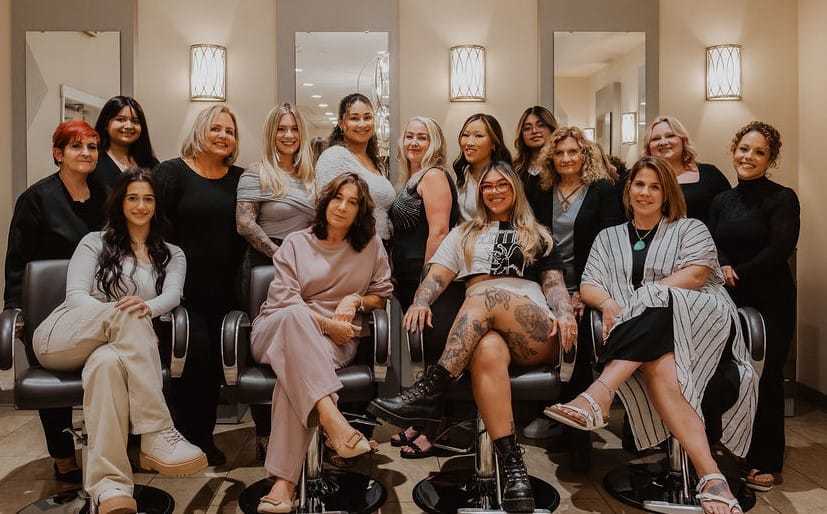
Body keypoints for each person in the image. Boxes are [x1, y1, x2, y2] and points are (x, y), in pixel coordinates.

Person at [545, 156, 758, 514]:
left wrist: (645, 296)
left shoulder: (690, 228)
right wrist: (611, 303)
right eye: (639, 185)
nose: (645, 192)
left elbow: (694, 276)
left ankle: (599, 393)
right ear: (628, 191)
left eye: (655, 186)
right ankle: (711, 477)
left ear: (667, 193)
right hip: (645, 337)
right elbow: (589, 283)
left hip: (701, 325)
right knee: (661, 366)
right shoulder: (608, 236)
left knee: (659, 300)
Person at [369, 162, 577, 513]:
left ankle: (428, 391)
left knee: (482, 295)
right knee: (486, 348)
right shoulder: (463, 233)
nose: (494, 191)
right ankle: (513, 468)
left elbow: (554, 285)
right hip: (485, 334)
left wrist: (566, 311)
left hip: (534, 329)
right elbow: (435, 278)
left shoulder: (537, 235)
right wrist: (419, 302)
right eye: (487, 187)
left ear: (516, 190)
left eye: (502, 185)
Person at [31, 168, 207, 514]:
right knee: (130, 315)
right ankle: (156, 431)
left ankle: (110, 488)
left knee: (108, 365)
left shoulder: (172, 253)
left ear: (157, 205)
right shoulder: (94, 242)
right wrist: (118, 313)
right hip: (65, 335)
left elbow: (171, 297)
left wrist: (142, 307)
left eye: (148, 198)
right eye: (133, 197)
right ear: (120, 202)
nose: (140, 205)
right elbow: (76, 296)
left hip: (115, 349)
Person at [250, 173, 393, 513]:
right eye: (337, 198)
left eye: (352, 202)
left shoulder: (371, 245)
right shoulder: (296, 243)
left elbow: (382, 294)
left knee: (294, 377)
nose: (342, 207)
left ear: (361, 211)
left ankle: (283, 484)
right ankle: (334, 422)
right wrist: (327, 322)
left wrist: (356, 300)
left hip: (331, 342)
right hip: (276, 329)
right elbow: (285, 301)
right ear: (325, 201)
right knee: (294, 319)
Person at [3, 119, 107, 483]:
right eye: (77, 146)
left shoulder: (106, 196)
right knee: (57, 393)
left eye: (92, 147)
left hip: (96, 307)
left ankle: (108, 455)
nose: (86, 153)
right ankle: (63, 458)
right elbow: (17, 262)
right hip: (49, 313)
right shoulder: (36, 199)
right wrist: (14, 311)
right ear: (58, 153)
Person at [709, 122, 799, 492]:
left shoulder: (783, 198)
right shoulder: (721, 201)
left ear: (770, 159)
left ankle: (766, 459)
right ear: (734, 151)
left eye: (759, 152)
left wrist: (736, 272)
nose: (748, 157)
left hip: (770, 298)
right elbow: (713, 242)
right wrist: (723, 267)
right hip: (728, 298)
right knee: (730, 372)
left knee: (766, 376)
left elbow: (780, 250)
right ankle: (727, 447)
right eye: (744, 149)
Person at [154, 105, 246, 465]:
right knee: (187, 361)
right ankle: (180, 439)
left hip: (225, 289)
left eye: (230, 131)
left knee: (213, 371)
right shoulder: (171, 173)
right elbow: (153, 228)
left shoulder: (240, 179)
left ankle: (203, 439)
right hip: (180, 289)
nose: (224, 136)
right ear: (200, 132)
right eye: (217, 129)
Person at [526, 126, 624, 463]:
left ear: (586, 155)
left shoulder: (603, 191)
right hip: (545, 281)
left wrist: (585, 291)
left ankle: (577, 436)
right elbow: (532, 239)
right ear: (551, 157)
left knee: (578, 343)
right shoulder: (540, 190)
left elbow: (611, 244)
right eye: (560, 153)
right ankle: (552, 415)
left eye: (574, 152)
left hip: (587, 283)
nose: (567, 158)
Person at [236, 103, 316, 460]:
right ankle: (267, 432)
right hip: (264, 267)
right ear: (271, 133)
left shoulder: (312, 177)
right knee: (270, 348)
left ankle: (309, 428)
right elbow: (245, 223)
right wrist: (280, 255)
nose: (288, 135)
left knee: (306, 343)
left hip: (308, 269)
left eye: (294, 129)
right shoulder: (256, 173)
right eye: (281, 129)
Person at [388, 116, 461, 458]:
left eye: (422, 137)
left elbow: (439, 232)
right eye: (409, 136)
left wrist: (424, 288)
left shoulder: (433, 175)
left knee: (433, 353)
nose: (414, 142)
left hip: (427, 279)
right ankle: (421, 421)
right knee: (422, 352)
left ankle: (434, 428)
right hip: (407, 277)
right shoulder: (413, 176)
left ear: (435, 143)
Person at [315, 93, 395, 241]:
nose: (362, 124)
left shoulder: (376, 163)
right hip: (350, 247)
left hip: (380, 247)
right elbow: (327, 211)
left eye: (367, 117)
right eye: (354, 118)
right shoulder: (334, 157)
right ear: (341, 123)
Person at [643, 116, 730, 225]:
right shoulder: (639, 179)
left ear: (683, 140)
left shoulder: (710, 175)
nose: (663, 142)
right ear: (648, 147)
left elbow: (727, 215)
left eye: (670, 135)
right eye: (656, 139)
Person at [453, 114, 513, 221]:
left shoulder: (504, 177)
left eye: (478, 136)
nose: (469, 143)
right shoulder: (463, 173)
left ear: (493, 144)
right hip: (462, 235)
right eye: (465, 135)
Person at [92, 96, 159, 191]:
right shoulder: (93, 161)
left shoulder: (151, 163)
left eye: (135, 121)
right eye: (120, 119)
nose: (129, 126)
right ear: (106, 124)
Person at [512, 105, 558, 179]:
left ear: (552, 129)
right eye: (527, 128)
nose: (534, 131)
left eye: (540, 125)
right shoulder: (515, 168)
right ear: (521, 135)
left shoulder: (559, 163)